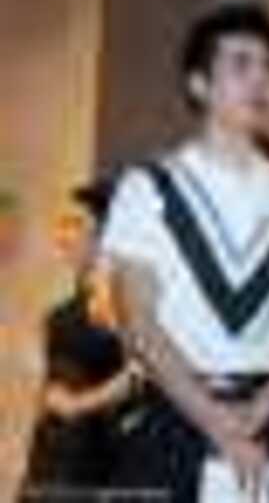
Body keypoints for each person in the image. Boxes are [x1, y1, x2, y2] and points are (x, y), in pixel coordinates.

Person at [100, 1, 269, 502]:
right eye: (240, 64)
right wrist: (217, 422)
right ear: (199, 84)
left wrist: (254, 415)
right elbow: (140, 322)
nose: (259, 80)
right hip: (173, 420)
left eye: (267, 66)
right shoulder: (148, 187)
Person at [20, 179, 144, 502]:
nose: (63, 235)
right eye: (61, 224)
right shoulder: (68, 307)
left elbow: (140, 374)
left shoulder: (119, 299)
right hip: (51, 453)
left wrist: (80, 404)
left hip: (95, 458)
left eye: (74, 224)